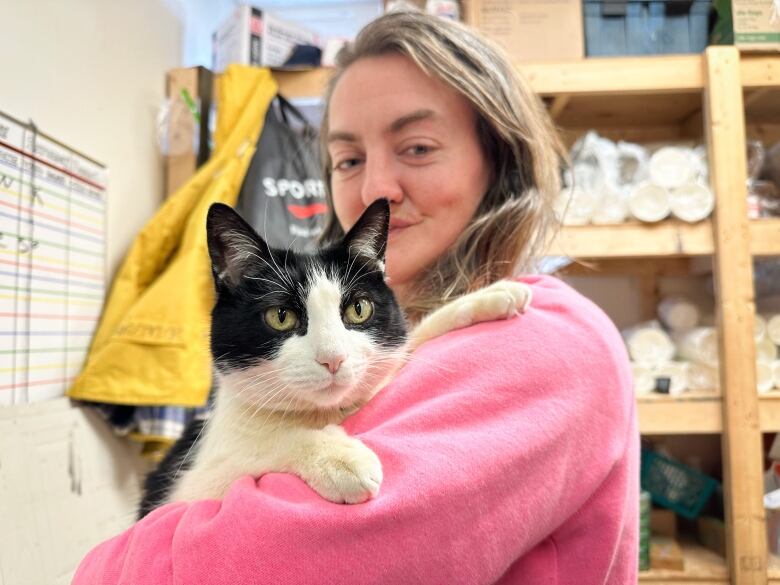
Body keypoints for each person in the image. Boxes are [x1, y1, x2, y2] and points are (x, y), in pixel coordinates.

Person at [73, 11, 638, 585]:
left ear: (500, 161)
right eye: (348, 159)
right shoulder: (392, 339)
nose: (376, 189)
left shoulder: (550, 343)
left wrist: (108, 564)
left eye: (417, 147)